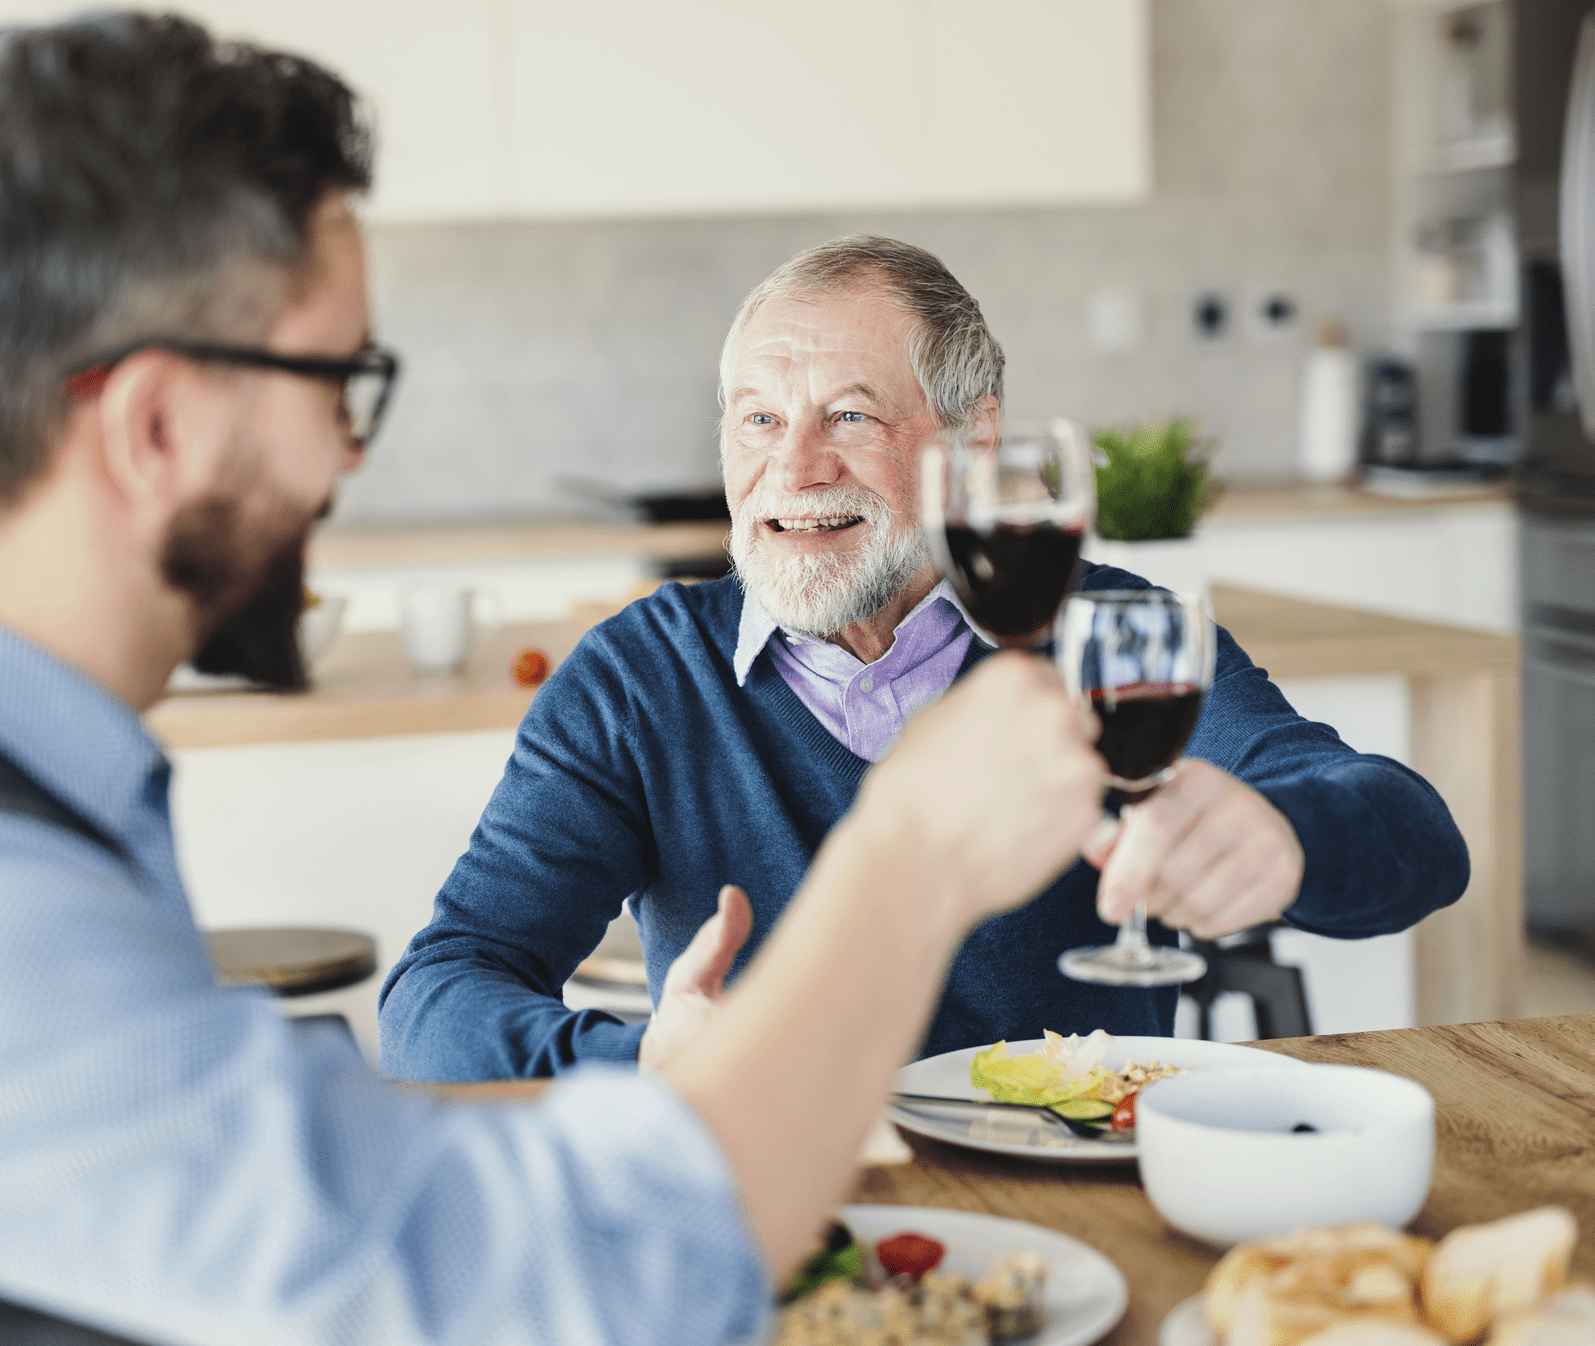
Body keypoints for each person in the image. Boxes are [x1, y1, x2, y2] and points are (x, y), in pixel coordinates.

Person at [0, 15, 1112, 1346]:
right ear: (156, 425)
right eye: (336, 383)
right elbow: (579, 1280)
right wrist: (912, 855)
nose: (348, 460)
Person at [377, 235, 1472, 1083]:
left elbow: (1415, 833)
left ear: (975, 442)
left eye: (848, 417)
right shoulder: (640, 677)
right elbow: (438, 996)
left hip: (1075, 1193)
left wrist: (1285, 838)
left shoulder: (1105, 632)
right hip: (784, 1208)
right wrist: (638, 1062)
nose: (793, 469)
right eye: (757, 420)